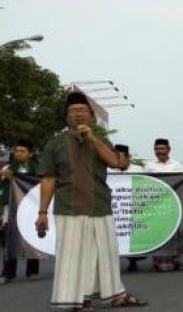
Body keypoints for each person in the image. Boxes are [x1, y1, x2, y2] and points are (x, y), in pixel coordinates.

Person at [34, 91, 146, 310]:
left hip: (100, 205)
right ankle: (78, 300)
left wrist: (92, 139)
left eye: (82, 111)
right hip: (69, 208)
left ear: (91, 115)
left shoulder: (101, 140)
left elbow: (116, 162)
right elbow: (48, 179)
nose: (78, 115)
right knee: (73, 256)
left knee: (106, 255)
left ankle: (116, 294)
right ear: (67, 117)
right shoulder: (55, 144)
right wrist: (42, 212)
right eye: (73, 111)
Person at [0, 140, 40, 285]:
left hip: (31, 209)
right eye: (16, 151)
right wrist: (8, 178)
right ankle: (8, 273)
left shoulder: (38, 169)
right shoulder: (8, 168)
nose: (18, 154)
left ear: (30, 154)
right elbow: (4, 191)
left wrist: (14, 178)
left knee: (32, 239)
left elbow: (40, 186)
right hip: (12, 210)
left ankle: (33, 271)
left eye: (22, 151)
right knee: (10, 240)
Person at [144, 138, 183, 272]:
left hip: (173, 203)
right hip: (156, 204)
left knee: (175, 231)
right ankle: (158, 260)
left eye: (162, 149)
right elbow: (144, 183)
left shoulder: (177, 165)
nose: (159, 151)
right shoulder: (149, 166)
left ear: (168, 150)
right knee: (158, 231)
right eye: (157, 149)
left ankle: (176, 259)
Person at [110, 145, 145, 273]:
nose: (117, 160)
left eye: (119, 157)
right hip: (117, 209)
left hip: (136, 208)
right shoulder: (109, 172)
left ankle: (133, 261)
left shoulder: (139, 170)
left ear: (128, 157)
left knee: (134, 235)